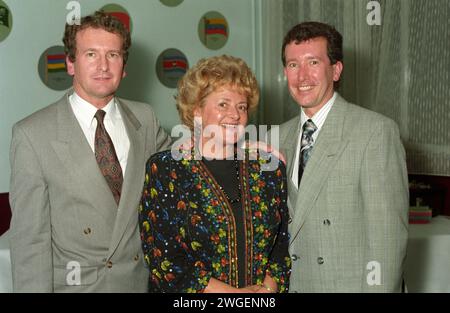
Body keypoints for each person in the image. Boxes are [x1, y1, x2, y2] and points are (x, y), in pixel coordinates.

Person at [9, 11, 171, 292]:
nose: (104, 66)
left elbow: (185, 169)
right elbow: (29, 243)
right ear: (70, 63)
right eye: (91, 55)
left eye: (113, 55)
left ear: (125, 66)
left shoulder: (145, 119)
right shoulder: (32, 134)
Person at [139, 55, 291, 293]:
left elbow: (281, 248)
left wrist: (268, 290)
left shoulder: (268, 169)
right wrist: (235, 297)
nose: (235, 114)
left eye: (242, 106)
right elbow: (164, 260)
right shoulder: (167, 170)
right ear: (197, 110)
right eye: (223, 104)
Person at [277, 21, 409, 292]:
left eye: (313, 63)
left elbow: (387, 241)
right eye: (293, 65)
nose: (302, 77)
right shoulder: (278, 137)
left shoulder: (374, 131)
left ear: (335, 70)